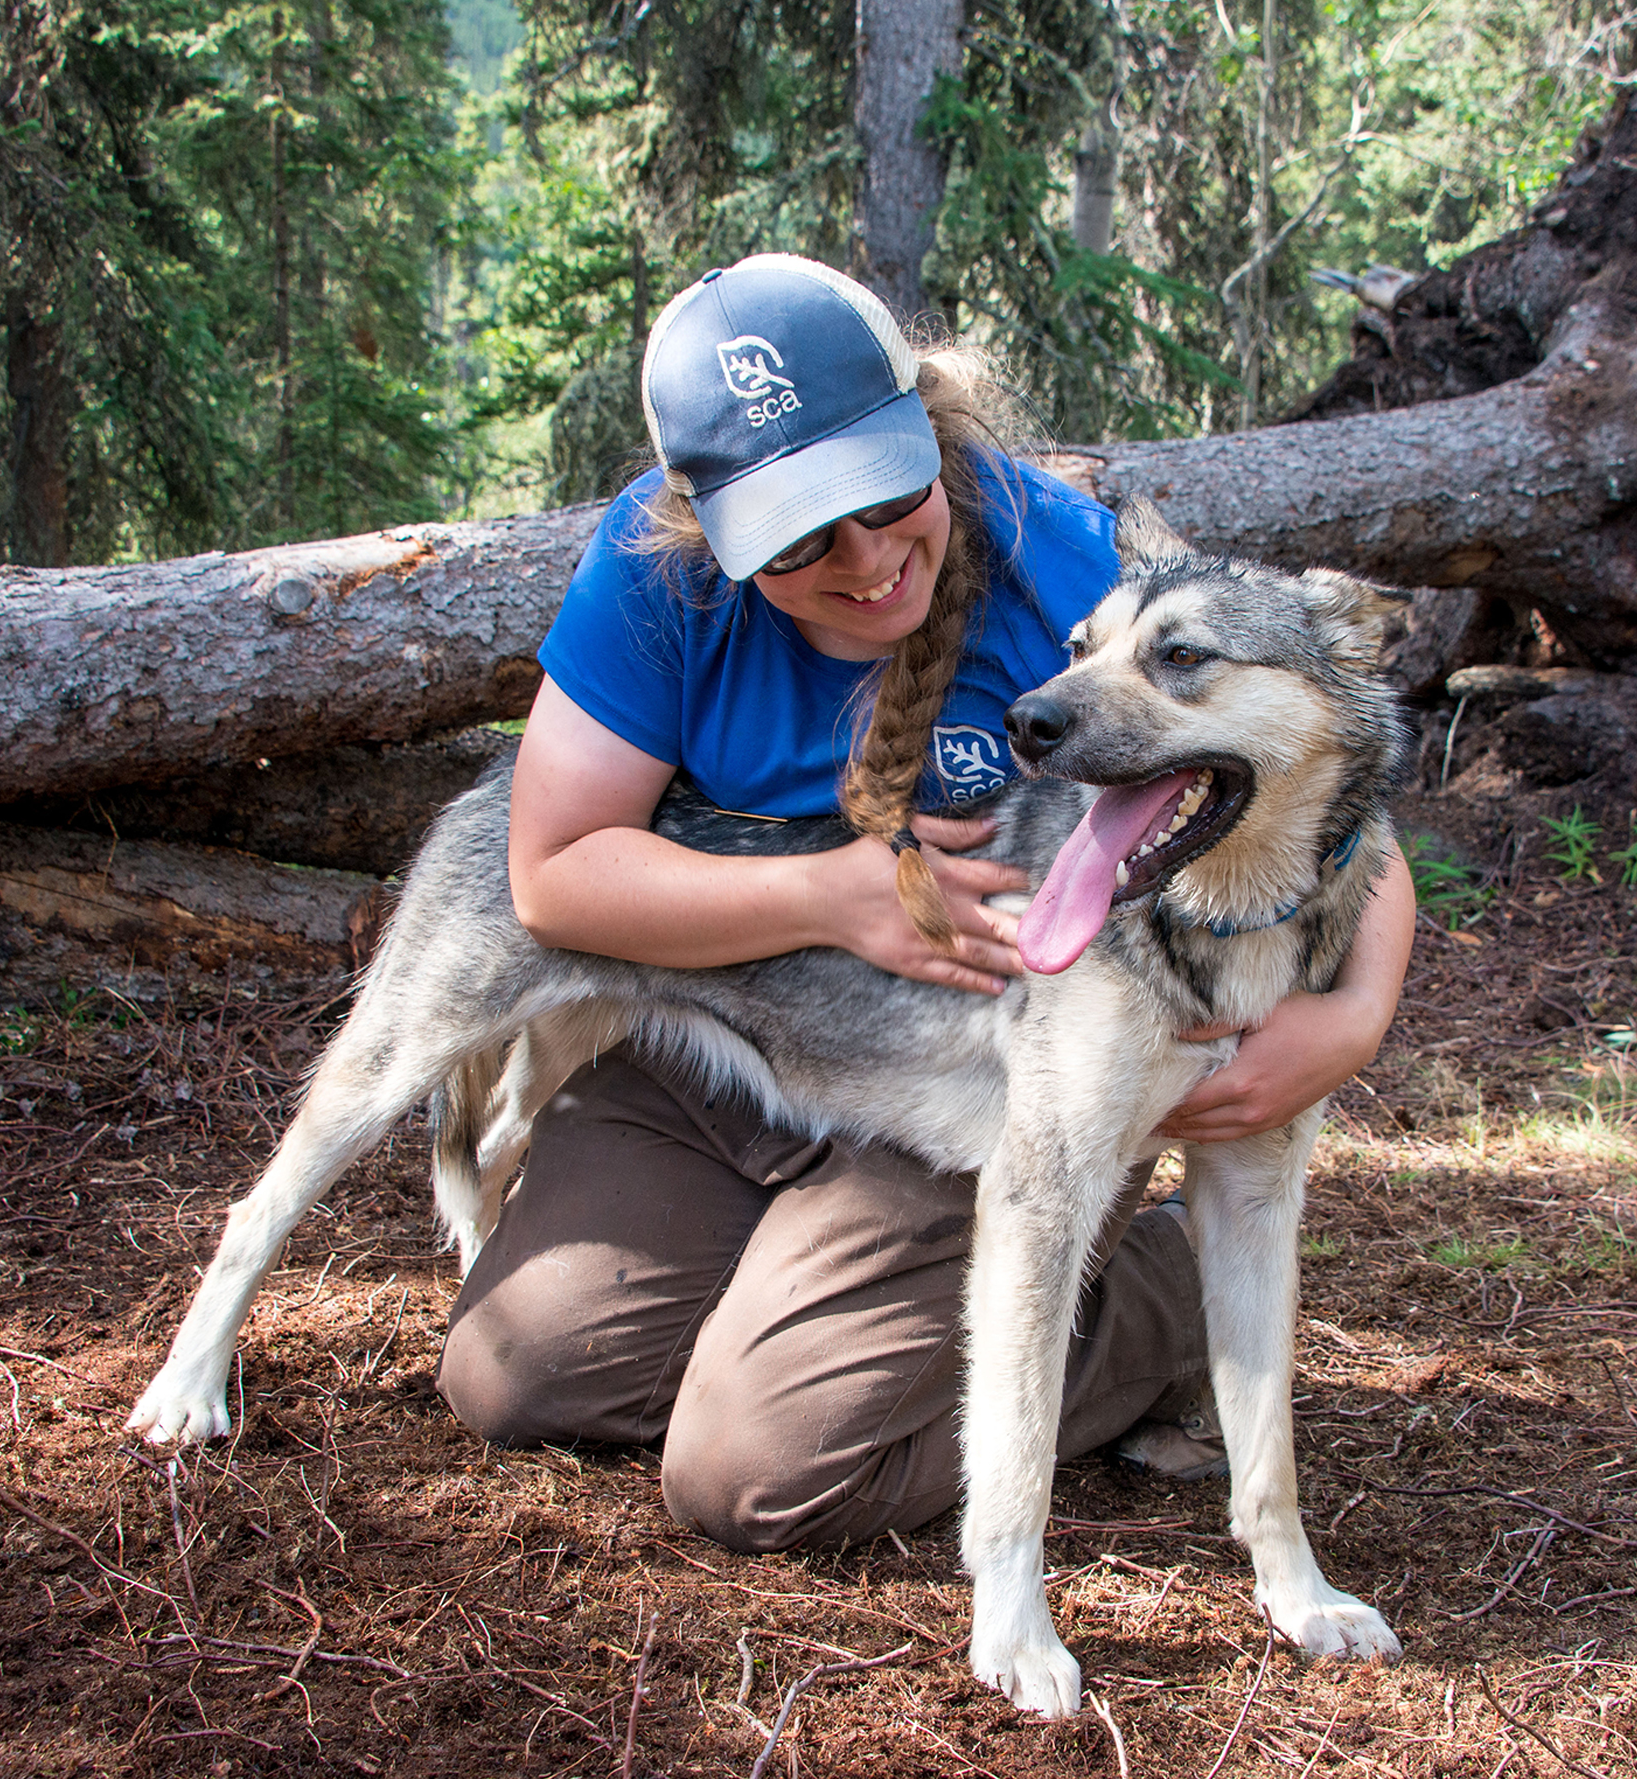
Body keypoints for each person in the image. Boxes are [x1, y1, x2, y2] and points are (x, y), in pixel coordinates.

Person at [437, 252, 1416, 1553]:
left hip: (977, 1065)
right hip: (733, 1039)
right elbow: (553, 871)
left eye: (885, 494)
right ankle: (814, 1309)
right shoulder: (654, 571)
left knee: (759, 1473)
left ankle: (1166, 1289)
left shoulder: (1064, 562)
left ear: (930, 426)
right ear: (709, 521)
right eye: (793, 535)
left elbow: (1322, 791)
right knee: (521, 1376)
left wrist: (1353, 1016)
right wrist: (834, 896)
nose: (862, 558)